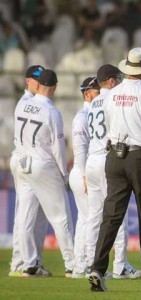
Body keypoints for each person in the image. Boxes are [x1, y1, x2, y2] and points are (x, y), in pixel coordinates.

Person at [87, 48, 141, 292]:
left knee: (110, 217)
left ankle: (97, 270)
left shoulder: (112, 94)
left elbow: (111, 126)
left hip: (114, 156)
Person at [84, 64, 141, 280]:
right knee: (116, 215)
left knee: (94, 217)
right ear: (111, 80)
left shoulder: (92, 102)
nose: (119, 81)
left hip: (91, 160)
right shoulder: (115, 97)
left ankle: (89, 263)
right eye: (117, 78)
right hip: (107, 156)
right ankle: (120, 266)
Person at [13, 69, 75, 277]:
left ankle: (28, 263)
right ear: (55, 88)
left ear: (38, 85)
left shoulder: (22, 104)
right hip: (42, 163)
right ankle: (72, 264)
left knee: (25, 217)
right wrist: (64, 173)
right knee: (61, 217)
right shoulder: (51, 112)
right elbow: (58, 146)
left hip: (22, 162)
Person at [9, 65, 51, 277]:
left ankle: (34, 261)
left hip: (30, 162)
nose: (39, 82)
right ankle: (19, 262)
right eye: (36, 79)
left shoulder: (34, 103)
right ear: (27, 81)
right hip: (26, 161)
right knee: (25, 213)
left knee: (38, 215)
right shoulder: (26, 103)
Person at [69, 76, 100, 278]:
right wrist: (84, 176)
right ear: (87, 93)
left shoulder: (94, 113)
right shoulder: (82, 117)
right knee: (91, 220)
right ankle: (89, 264)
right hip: (82, 173)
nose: (100, 93)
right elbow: (79, 150)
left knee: (84, 220)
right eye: (96, 90)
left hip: (85, 172)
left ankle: (79, 266)